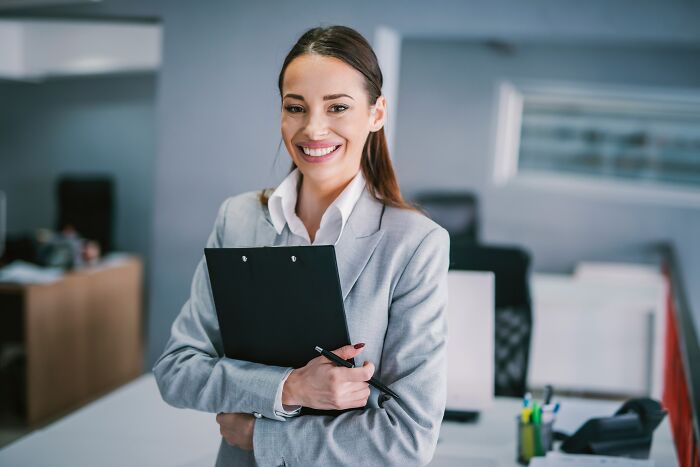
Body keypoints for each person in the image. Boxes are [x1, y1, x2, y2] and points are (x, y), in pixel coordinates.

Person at [153, 25, 450, 467]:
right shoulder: (238, 219)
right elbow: (176, 370)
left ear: (376, 113)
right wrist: (289, 387)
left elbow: (408, 439)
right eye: (296, 107)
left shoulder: (415, 244)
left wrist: (260, 435)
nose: (313, 129)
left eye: (338, 107)